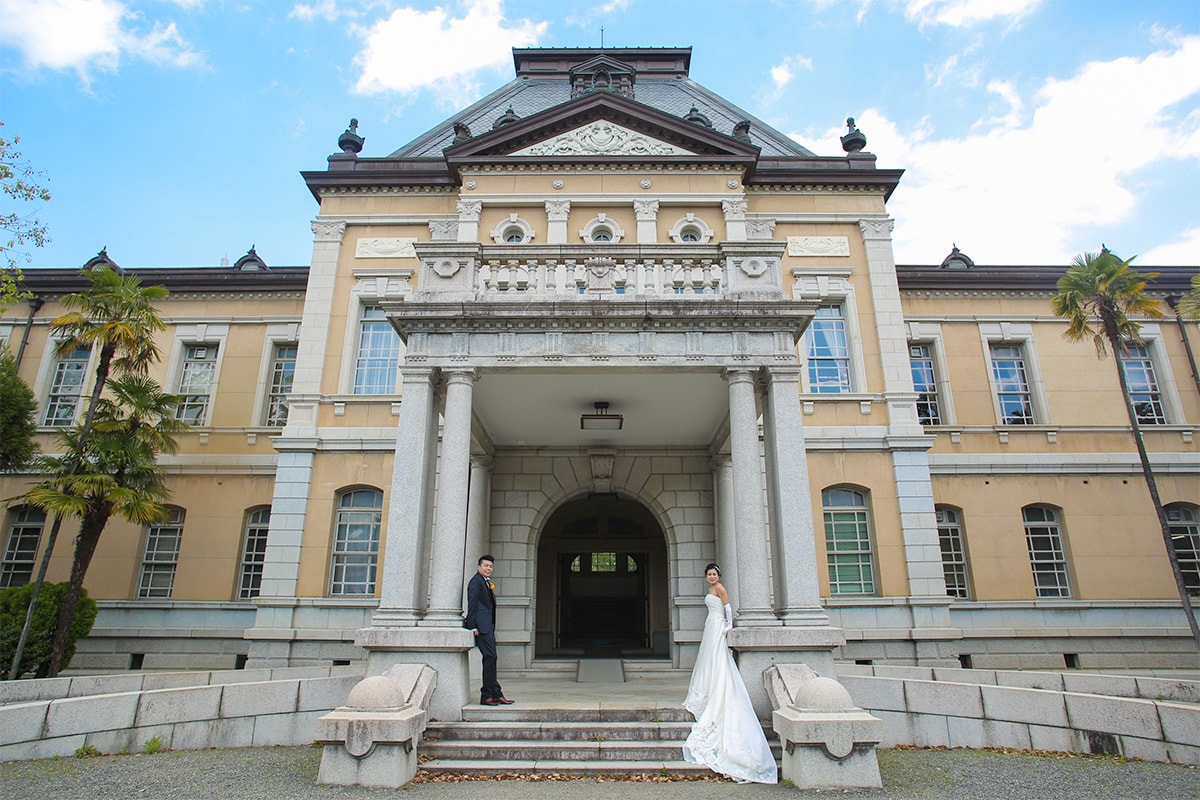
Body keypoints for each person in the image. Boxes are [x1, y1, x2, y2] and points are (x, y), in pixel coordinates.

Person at [681, 562, 777, 784]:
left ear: (718, 576)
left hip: (718, 625)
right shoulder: (710, 589)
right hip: (710, 624)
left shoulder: (721, 588)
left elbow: (727, 607)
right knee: (708, 658)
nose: (712, 577)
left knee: (717, 656)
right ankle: (707, 688)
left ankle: (716, 687)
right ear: (706, 576)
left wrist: (728, 625)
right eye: (709, 574)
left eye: (714, 574)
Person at [465, 554, 512, 706]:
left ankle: (496, 693)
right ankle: (486, 695)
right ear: (479, 567)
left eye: (490, 566)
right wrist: (472, 626)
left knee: (492, 658)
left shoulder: (485, 582)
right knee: (490, 657)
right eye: (486, 566)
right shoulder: (475, 582)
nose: (488, 569)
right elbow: (472, 604)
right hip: (481, 626)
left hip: (487, 626)